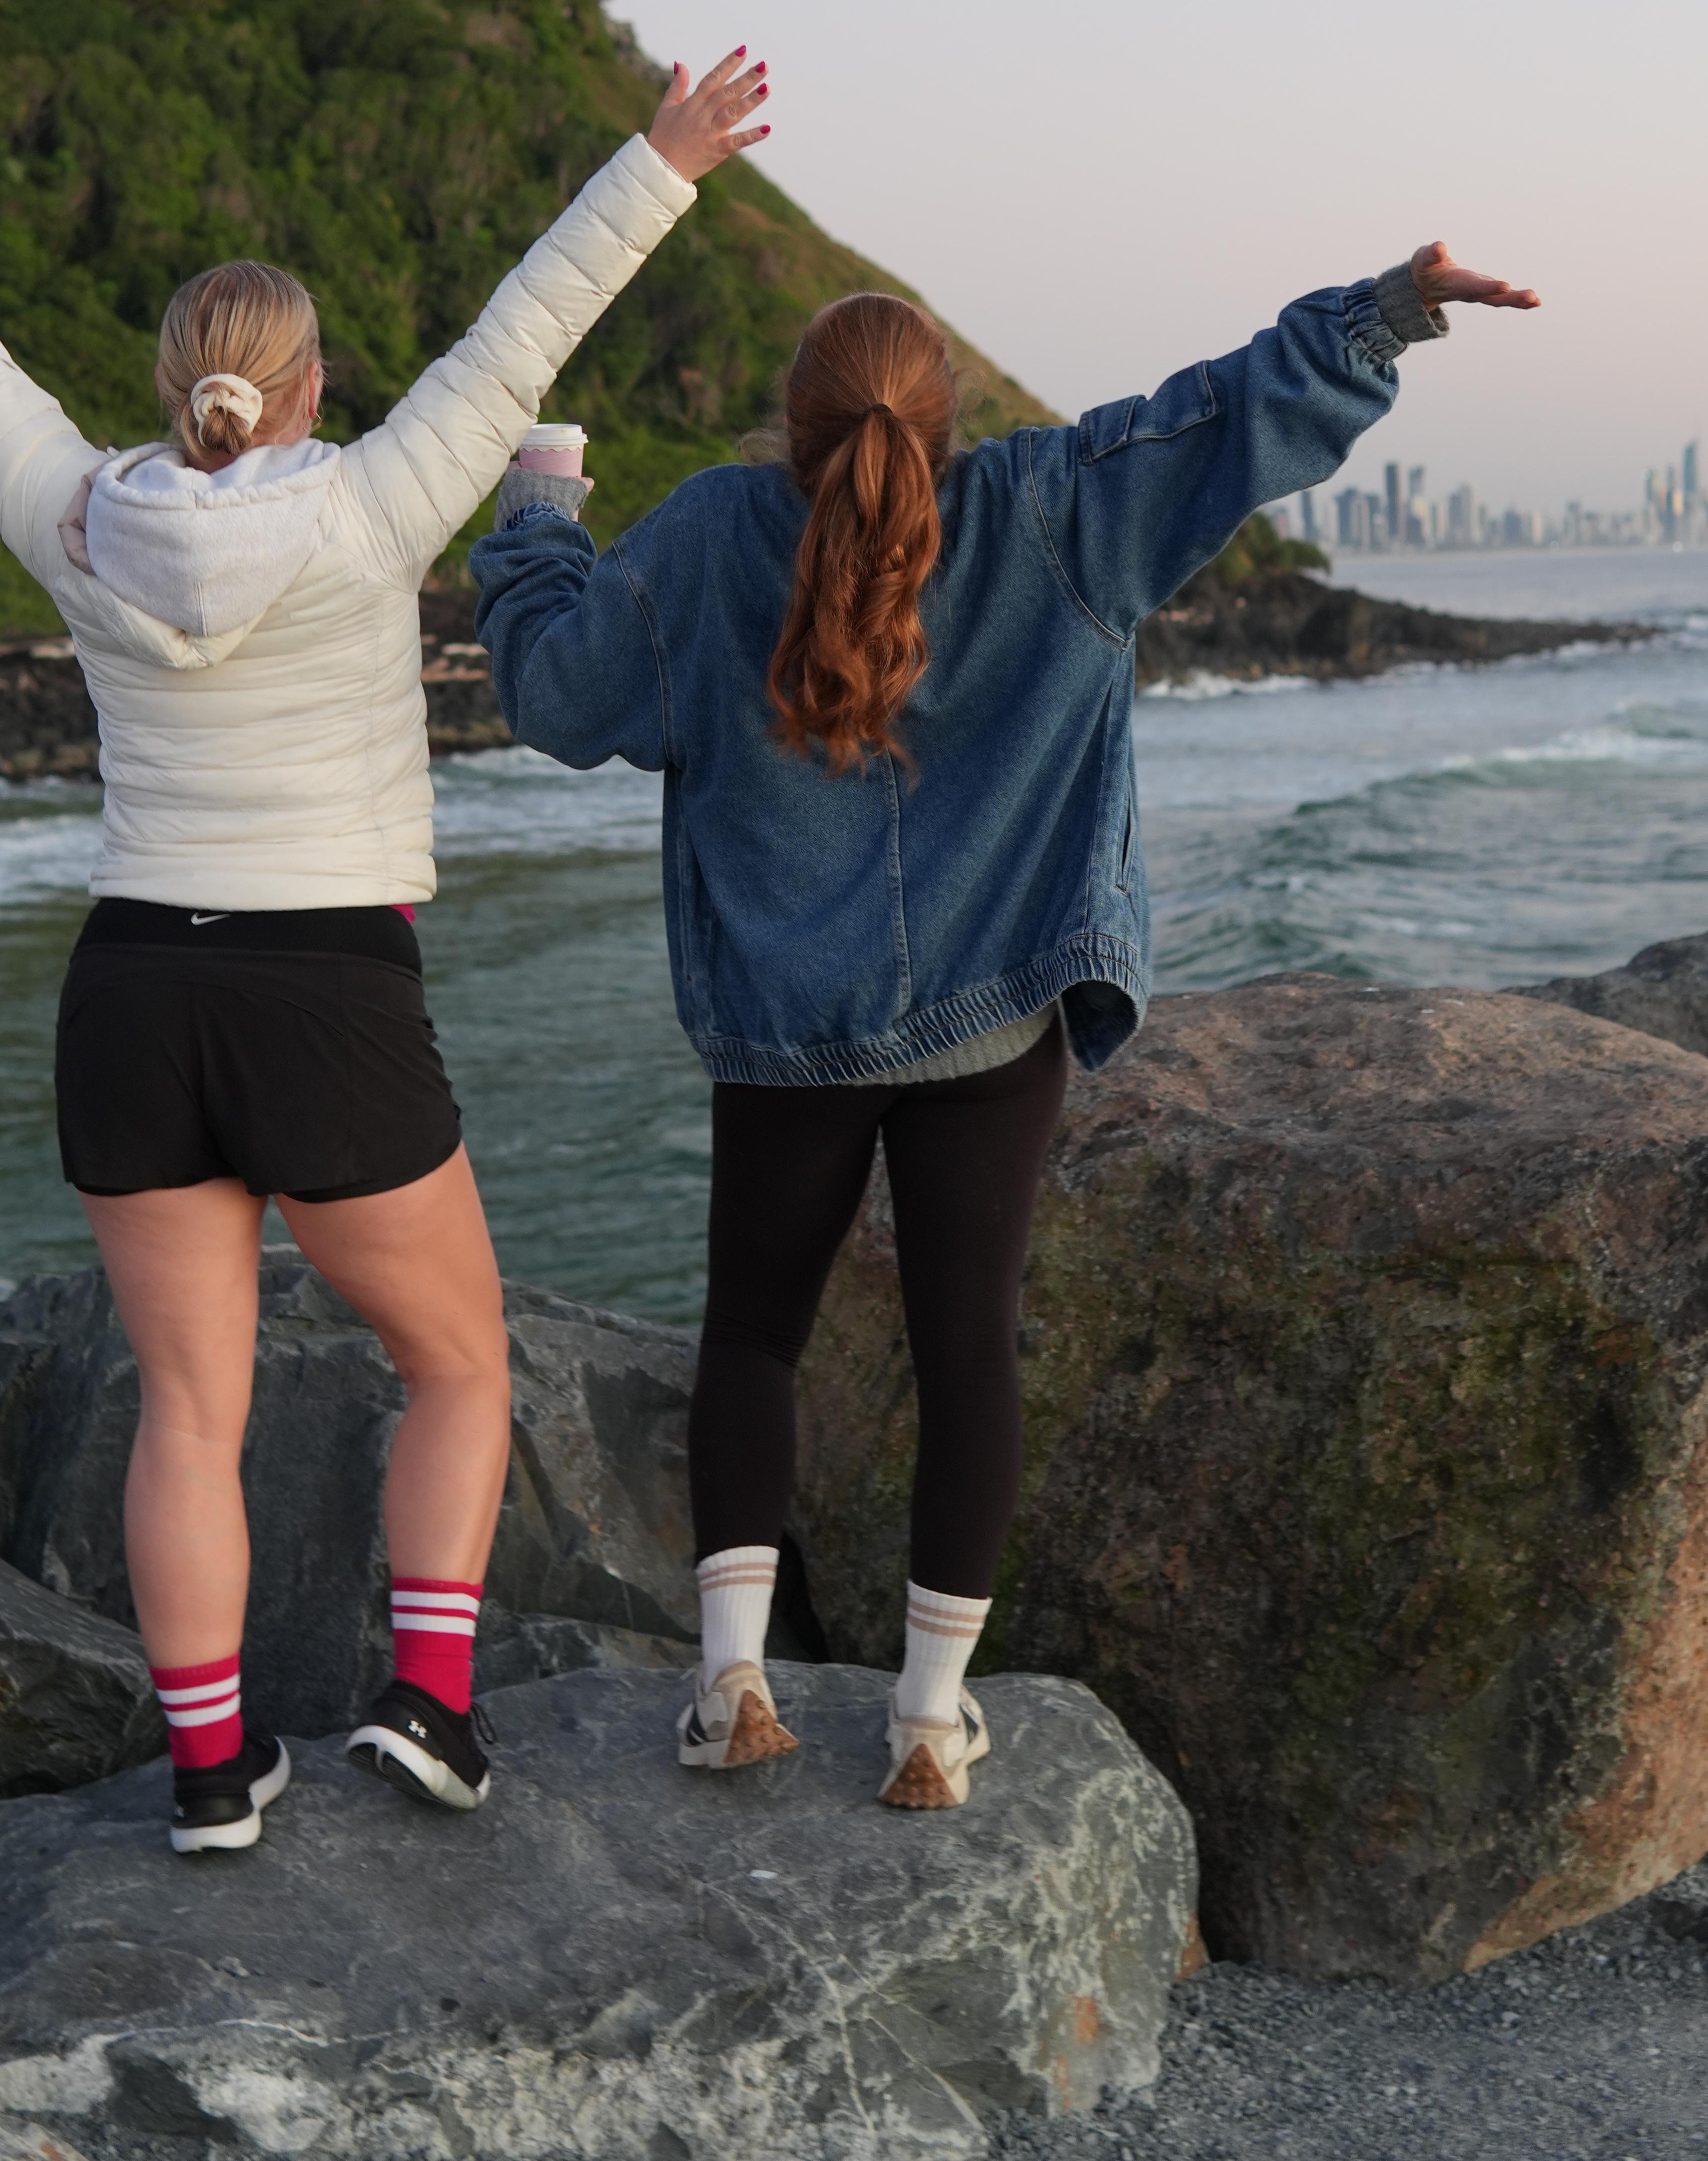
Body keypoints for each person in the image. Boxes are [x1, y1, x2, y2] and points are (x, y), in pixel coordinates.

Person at [0, 46, 770, 1851]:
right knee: (457, 1363)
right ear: (312, 386)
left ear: (174, 386)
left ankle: (211, 1773)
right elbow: (528, 328)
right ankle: (433, 1709)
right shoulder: (372, 503)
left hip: (135, 992)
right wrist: (669, 155)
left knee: (189, 1408)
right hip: (325, 995)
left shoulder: (75, 514)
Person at [469, 240, 1539, 1810]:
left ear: (793, 424)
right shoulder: (1053, 506)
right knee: (969, 1353)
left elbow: (560, 699)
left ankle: (731, 1690)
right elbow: (1226, 420)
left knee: (754, 1335)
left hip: (786, 1029)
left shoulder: (706, 536)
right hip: (993, 1025)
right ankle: (924, 1723)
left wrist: (540, 521)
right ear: (946, 420)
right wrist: (1381, 313)